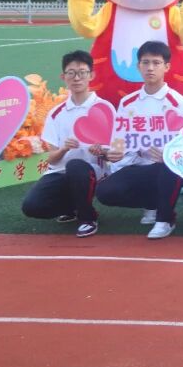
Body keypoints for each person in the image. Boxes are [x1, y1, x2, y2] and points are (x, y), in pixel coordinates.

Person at [95, 42, 183, 239]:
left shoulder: (176, 102)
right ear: (138, 66)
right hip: (137, 166)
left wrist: (169, 155)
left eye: (156, 63)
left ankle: (165, 219)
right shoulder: (128, 102)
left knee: (168, 167)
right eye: (145, 62)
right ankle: (151, 203)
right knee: (105, 192)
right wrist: (112, 153)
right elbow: (119, 139)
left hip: (167, 168)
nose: (150, 68)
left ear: (167, 67)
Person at [21, 51, 113, 238]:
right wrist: (64, 148)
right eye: (71, 73)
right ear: (63, 77)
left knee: (76, 166)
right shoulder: (56, 113)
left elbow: (116, 151)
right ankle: (72, 207)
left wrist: (102, 152)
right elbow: (52, 160)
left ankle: (88, 218)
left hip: (92, 171)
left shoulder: (104, 107)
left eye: (82, 72)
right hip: (60, 172)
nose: (76, 78)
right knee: (32, 206)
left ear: (91, 75)